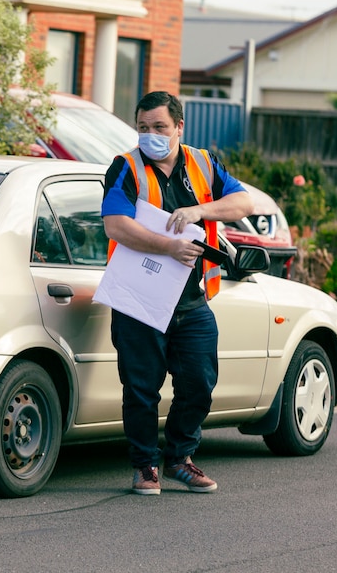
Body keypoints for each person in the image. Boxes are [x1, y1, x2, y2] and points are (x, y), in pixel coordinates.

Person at [101, 91, 254, 495]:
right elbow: (115, 225)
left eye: (159, 127)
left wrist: (200, 212)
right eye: (143, 128)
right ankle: (145, 466)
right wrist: (168, 245)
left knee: (200, 382)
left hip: (190, 300)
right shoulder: (125, 168)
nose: (150, 135)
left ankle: (180, 459)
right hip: (139, 299)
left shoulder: (203, 162)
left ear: (179, 127)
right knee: (140, 387)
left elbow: (243, 202)